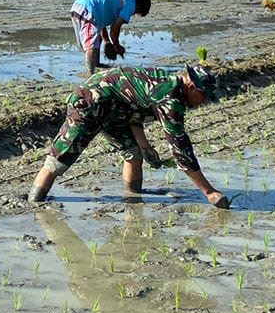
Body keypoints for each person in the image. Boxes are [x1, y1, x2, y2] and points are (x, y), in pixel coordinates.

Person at [29, 61, 230, 209]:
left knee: (134, 154)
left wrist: (145, 146)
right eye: (204, 96)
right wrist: (209, 192)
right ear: (192, 87)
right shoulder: (171, 97)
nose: (204, 102)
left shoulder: (171, 80)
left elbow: (134, 107)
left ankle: (133, 200)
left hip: (116, 109)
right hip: (90, 102)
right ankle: (34, 204)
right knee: (59, 159)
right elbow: (181, 148)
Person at [70, 0, 151, 76]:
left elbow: (101, 23)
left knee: (96, 39)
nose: (132, 14)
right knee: (91, 46)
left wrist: (107, 41)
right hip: (88, 10)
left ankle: (96, 64)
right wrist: (116, 45)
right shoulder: (130, 4)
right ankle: (90, 76)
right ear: (139, 6)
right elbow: (115, 29)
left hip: (79, 7)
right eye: (136, 13)